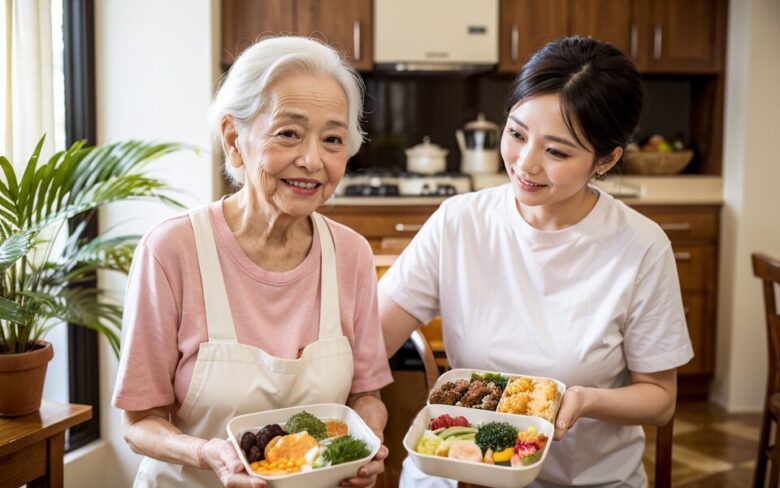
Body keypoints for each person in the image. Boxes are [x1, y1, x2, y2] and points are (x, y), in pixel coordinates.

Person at [379, 36, 693, 487]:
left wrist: (586, 400)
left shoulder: (640, 247)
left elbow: (660, 399)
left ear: (605, 160)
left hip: (584, 479)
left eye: (557, 151)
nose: (525, 164)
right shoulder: (460, 221)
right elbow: (372, 335)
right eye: (516, 133)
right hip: (460, 469)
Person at [113, 36, 393, 488]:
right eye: (289, 133)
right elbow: (139, 423)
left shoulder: (352, 255)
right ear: (234, 140)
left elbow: (367, 394)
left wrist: (367, 441)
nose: (312, 160)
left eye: (333, 139)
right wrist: (209, 454)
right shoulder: (171, 250)